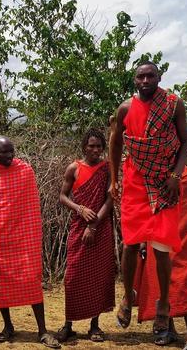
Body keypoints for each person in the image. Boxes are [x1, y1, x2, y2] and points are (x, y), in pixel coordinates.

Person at [109, 61, 187, 335]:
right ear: (134, 80)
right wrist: (113, 179)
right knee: (130, 243)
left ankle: (164, 304)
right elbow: (115, 143)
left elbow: (185, 142)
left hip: (165, 181)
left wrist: (175, 177)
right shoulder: (125, 108)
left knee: (162, 247)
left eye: (150, 75)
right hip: (134, 181)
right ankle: (127, 296)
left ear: (159, 77)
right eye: (140, 76)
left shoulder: (173, 104)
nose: (146, 80)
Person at [0, 136, 60, 349]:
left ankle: (42, 330)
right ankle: (8, 326)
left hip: (23, 237)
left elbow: (30, 207)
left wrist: (28, 233)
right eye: (4, 152)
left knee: (31, 279)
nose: (10, 155)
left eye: (12, 151)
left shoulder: (25, 171)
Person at [54, 129, 116, 343]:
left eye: (99, 146)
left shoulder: (108, 168)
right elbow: (62, 196)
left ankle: (95, 325)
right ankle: (68, 323)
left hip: (101, 227)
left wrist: (94, 224)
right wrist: (79, 209)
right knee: (73, 277)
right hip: (78, 227)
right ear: (84, 147)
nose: (95, 150)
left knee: (98, 275)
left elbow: (110, 199)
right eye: (91, 146)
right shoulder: (74, 168)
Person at [136, 166, 187, 349]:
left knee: (184, 280)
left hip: (183, 238)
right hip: (160, 233)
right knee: (161, 280)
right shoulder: (155, 173)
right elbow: (148, 206)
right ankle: (168, 329)